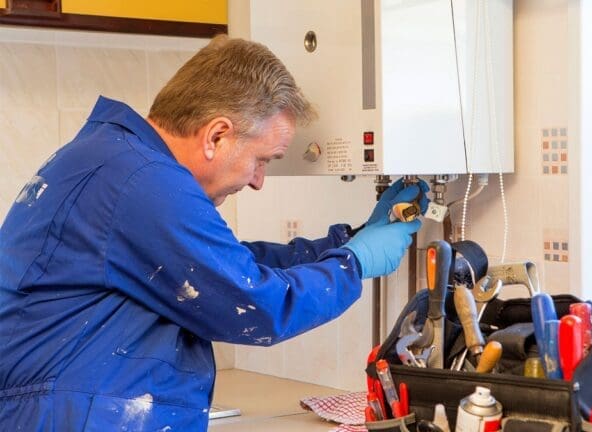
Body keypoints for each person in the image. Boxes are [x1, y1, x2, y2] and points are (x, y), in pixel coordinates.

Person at [0, 35, 428, 431]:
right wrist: (354, 263)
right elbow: (255, 302)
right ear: (217, 135)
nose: (259, 180)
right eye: (263, 159)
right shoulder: (143, 181)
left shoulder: (122, 162)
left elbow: (219, 265)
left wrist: (346, 241)